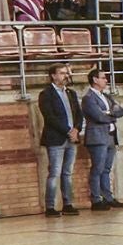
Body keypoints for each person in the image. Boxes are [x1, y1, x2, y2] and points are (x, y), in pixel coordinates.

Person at [38, 64, 82, 216]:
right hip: (56, 138)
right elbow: (50, 117)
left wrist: (76, 129)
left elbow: (79, 114)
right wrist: (68, 131)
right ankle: (50, 206)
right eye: (62, 73)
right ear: (53, 76)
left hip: (72, 138)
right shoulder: (46, 94)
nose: (66, 76)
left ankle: (68, 204)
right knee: (54, 172)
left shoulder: (71, 93)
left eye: (67, 73)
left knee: (67, 172)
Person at [81, 68, 123, 210]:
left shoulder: (106, 96)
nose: (106, 80)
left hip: (110, 136)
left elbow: (121, 111)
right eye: (103, 78)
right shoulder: (88, 98)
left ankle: (108, 197)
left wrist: (109, 112)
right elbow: (98, 116)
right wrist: (111, 115)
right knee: (97, 169)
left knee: (106, 169)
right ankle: (96, 199)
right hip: (97, 137)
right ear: (95, 80)